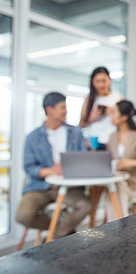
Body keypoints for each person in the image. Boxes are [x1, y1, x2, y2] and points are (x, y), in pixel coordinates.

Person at [16, 92, 93, 239]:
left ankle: (52, 238)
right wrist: (50, 170)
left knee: (86, 206)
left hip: (67, 186)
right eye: (62, 107)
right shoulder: (33, 137)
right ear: (49, 110)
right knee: (24, 215)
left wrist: (70, 166)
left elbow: (84, 158)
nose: (66, 111)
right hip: (40, 186)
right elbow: (29, 167)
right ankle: (63, 230)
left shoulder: (76, 133)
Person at [104, 100, 136, 221]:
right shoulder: (112, 137)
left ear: (124, 117)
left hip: (135, 185)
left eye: (113, 112)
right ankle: (119, 224)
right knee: (113, 186)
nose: (110, 115)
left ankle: (116, 225)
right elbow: (108, 159)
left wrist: (130, 162)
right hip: (118, 182)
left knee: (114, 188)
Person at [79, 66, 123, 150]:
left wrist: (111, 112)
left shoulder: (117, 98)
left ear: (110, 80)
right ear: (92, 82)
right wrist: (91, 118)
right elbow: (81, 125)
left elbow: (124, 122)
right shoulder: (89, 99)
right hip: (93, 144)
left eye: (104, 81)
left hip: (112, 143)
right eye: (97, 81)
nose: (101, 85)